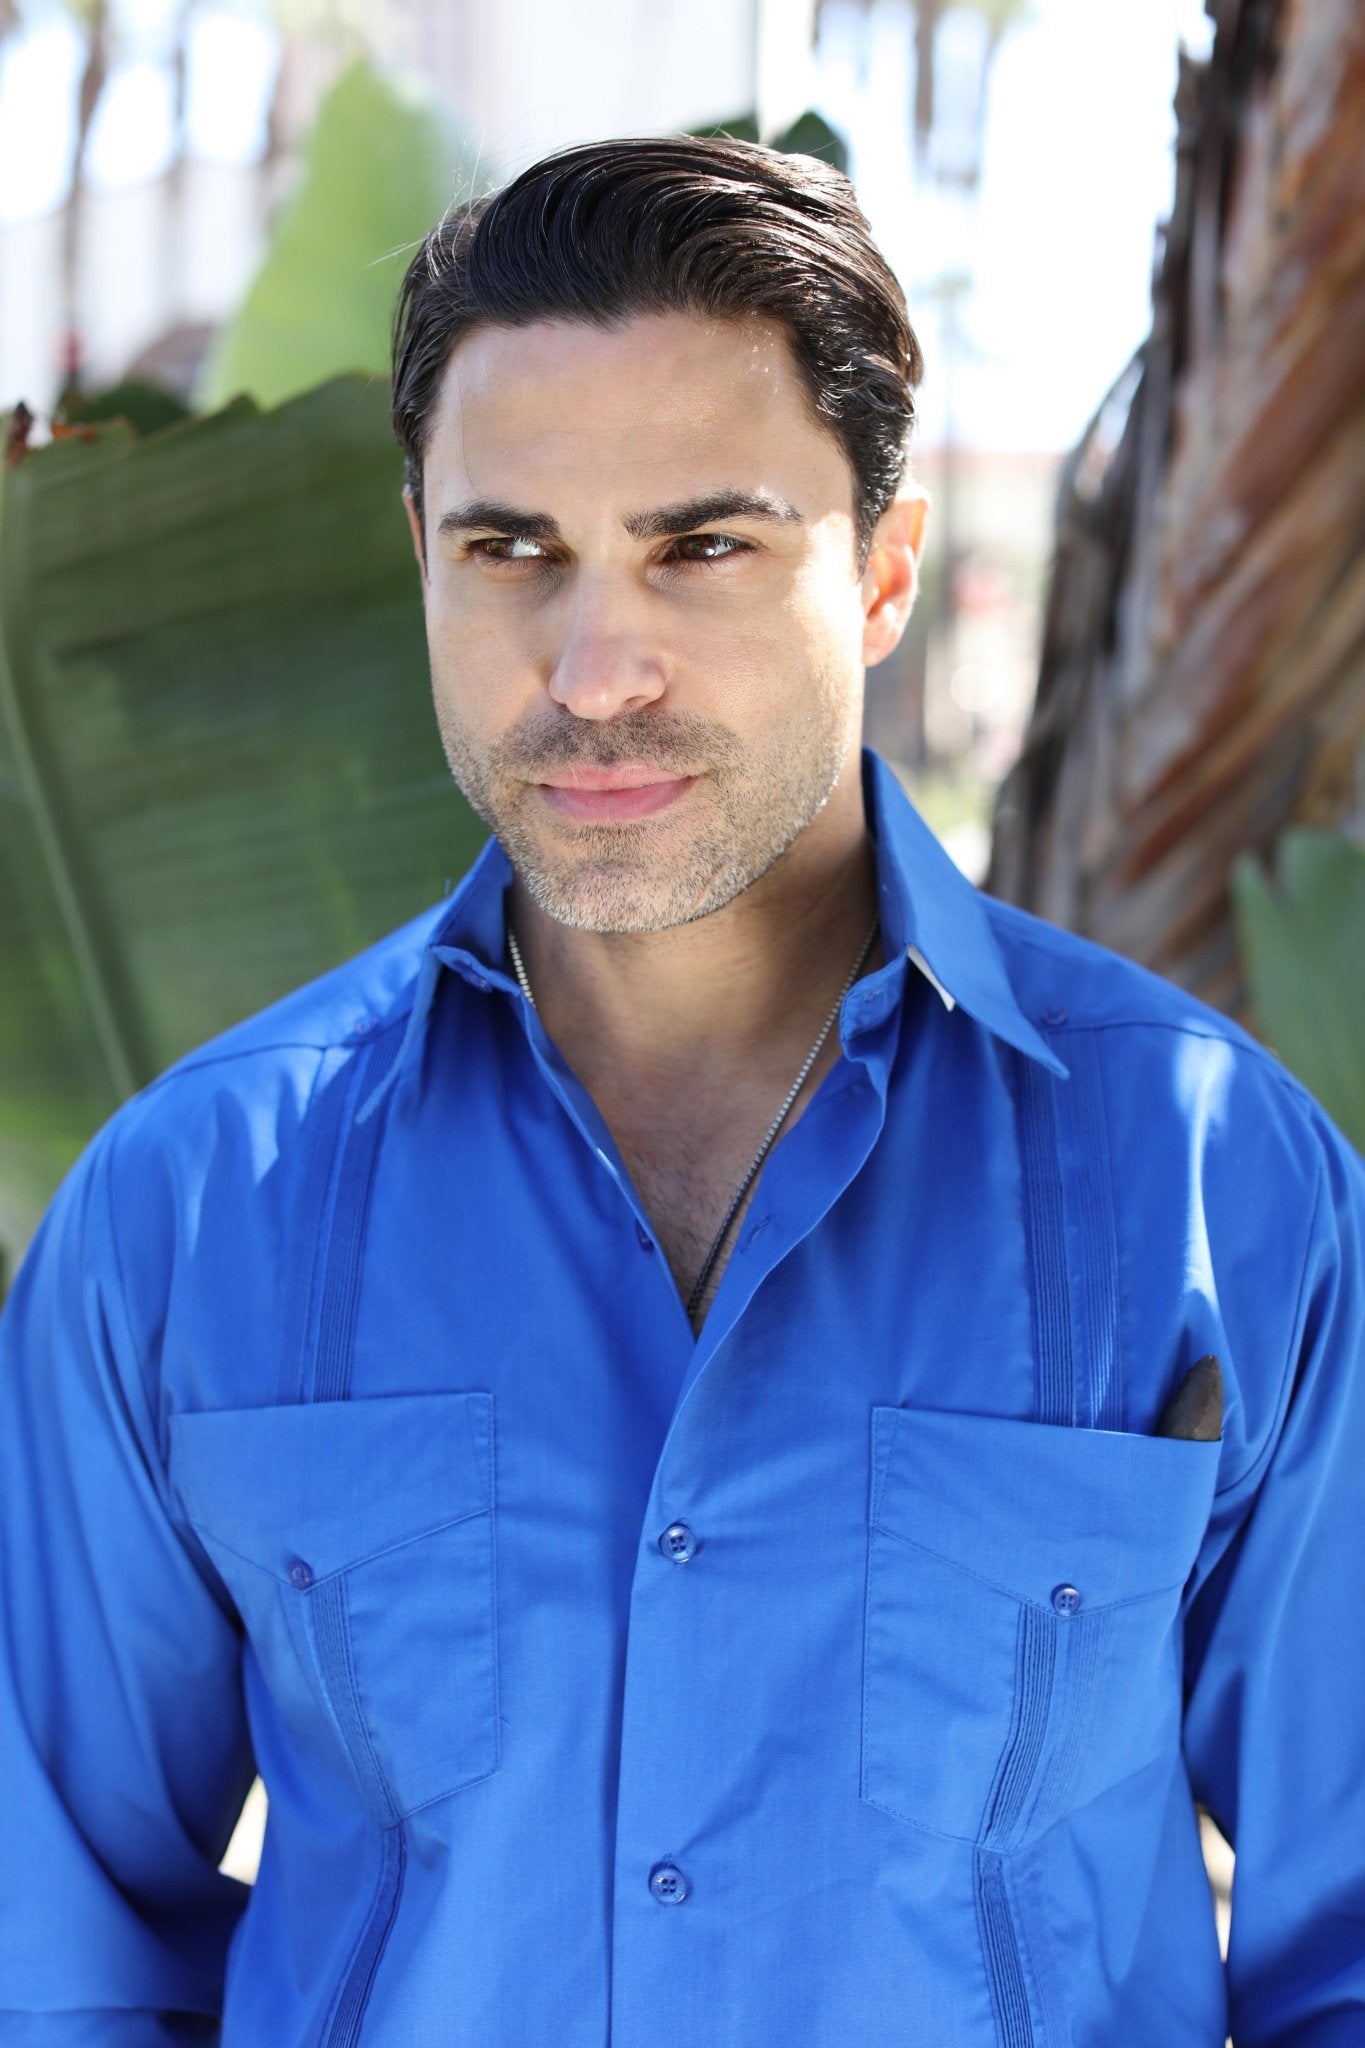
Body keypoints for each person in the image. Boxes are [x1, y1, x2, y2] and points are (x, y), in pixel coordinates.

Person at [1, 135, 1362, 2048]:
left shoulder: (1216, 1180)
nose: (593, 664)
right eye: (511, 549)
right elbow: (47, 1963)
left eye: (701, 545)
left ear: (882, 575)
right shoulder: (186, 1213)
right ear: (420, 554)